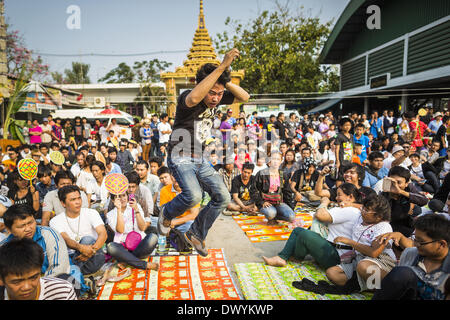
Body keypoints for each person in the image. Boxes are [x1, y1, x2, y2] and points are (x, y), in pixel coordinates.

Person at [160, 49, 250, 257]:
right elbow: (193, 99)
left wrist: (224, 79)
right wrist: (221, 68)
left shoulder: (218, 96)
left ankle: (196, 234)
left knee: (223, 197)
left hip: (200, 159)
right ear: (204, 86)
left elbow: (245, 96)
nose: (216, 98)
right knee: (194, 196)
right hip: (180, 156)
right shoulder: (187, 98)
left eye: (219, 94)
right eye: (213, 93)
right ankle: (167, 212)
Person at [263, 183, 369, 269]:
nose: (336, 198)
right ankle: (288, 256)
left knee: (303, 234)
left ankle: (284, 257)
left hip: (336, 256)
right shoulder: (354, 210)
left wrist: (324, 203)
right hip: (337, 252)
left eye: (339, 195)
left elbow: (320, 215)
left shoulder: (349, 210)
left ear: (350, 197)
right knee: (301, 231)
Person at [325, 194, 396, 292]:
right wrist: (349, 204)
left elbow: (373, 253)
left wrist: (350, 242)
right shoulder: (362, 217)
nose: (362, 211)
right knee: (332, 273)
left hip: (379, 261)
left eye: (366, 210)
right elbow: (360, 207)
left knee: (364, 267)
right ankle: (367, 285)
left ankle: (381, 290)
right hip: (360, 259)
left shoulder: (384, 227)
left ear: (379, 216)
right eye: (363, 208)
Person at [373, 214, 450, 300]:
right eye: (415, 239)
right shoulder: (410, 254)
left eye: (421, 242)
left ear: (442, 244)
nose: (416, 244)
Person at [49, 185, 106, 276]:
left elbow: (103, 234)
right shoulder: (55, 221)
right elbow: (66, 240)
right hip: (72, 259)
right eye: (73, 200)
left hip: (94, 256)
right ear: (63, 203)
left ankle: (72, 276)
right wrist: (81, 248)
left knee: (87, 239)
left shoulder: (91, 213)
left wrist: (91, 251)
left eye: (79, 198)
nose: (78, 202)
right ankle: (78, 276)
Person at [0, 238, 77, 300]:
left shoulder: (62, 291)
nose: (27, 287)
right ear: (1, 280)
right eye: (17, 282)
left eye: (34, 277)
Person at [105, 192, 159, 271]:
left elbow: (142, 228)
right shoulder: (110, 214)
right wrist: (119, 210)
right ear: (113, 201)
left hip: (140, 245)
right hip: (123, 248)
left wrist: (136, 210)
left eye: (124, 195)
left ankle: (127, 261)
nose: (122, 199)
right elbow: (120, 230)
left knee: (153, 237)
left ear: (127, 196)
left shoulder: (135, 207)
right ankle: (144, 265)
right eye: (118, 197)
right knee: (111, 247)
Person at [380, 166, 428, 238]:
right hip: (389, 224)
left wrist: (401, 192)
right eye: (392, 181)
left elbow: (424, 200)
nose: (394, 185)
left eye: (398, 182)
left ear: (406, 183)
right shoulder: (383, 189)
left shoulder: (408, 188)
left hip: (405, 220)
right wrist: (391, 195)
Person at [254, 150, 295, 225]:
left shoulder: (282, 174)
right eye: (273, 159)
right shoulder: (262, 173)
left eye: (278, 159)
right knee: (271, 213)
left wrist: (290, 208)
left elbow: (287, 192)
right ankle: (271, 216)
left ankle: (276, 216)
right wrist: (261, 202)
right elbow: (254, 190)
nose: (275, 161)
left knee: (291, 217)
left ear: (281, 161)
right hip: (266, 202)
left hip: (278, 202)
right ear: (269, 161)